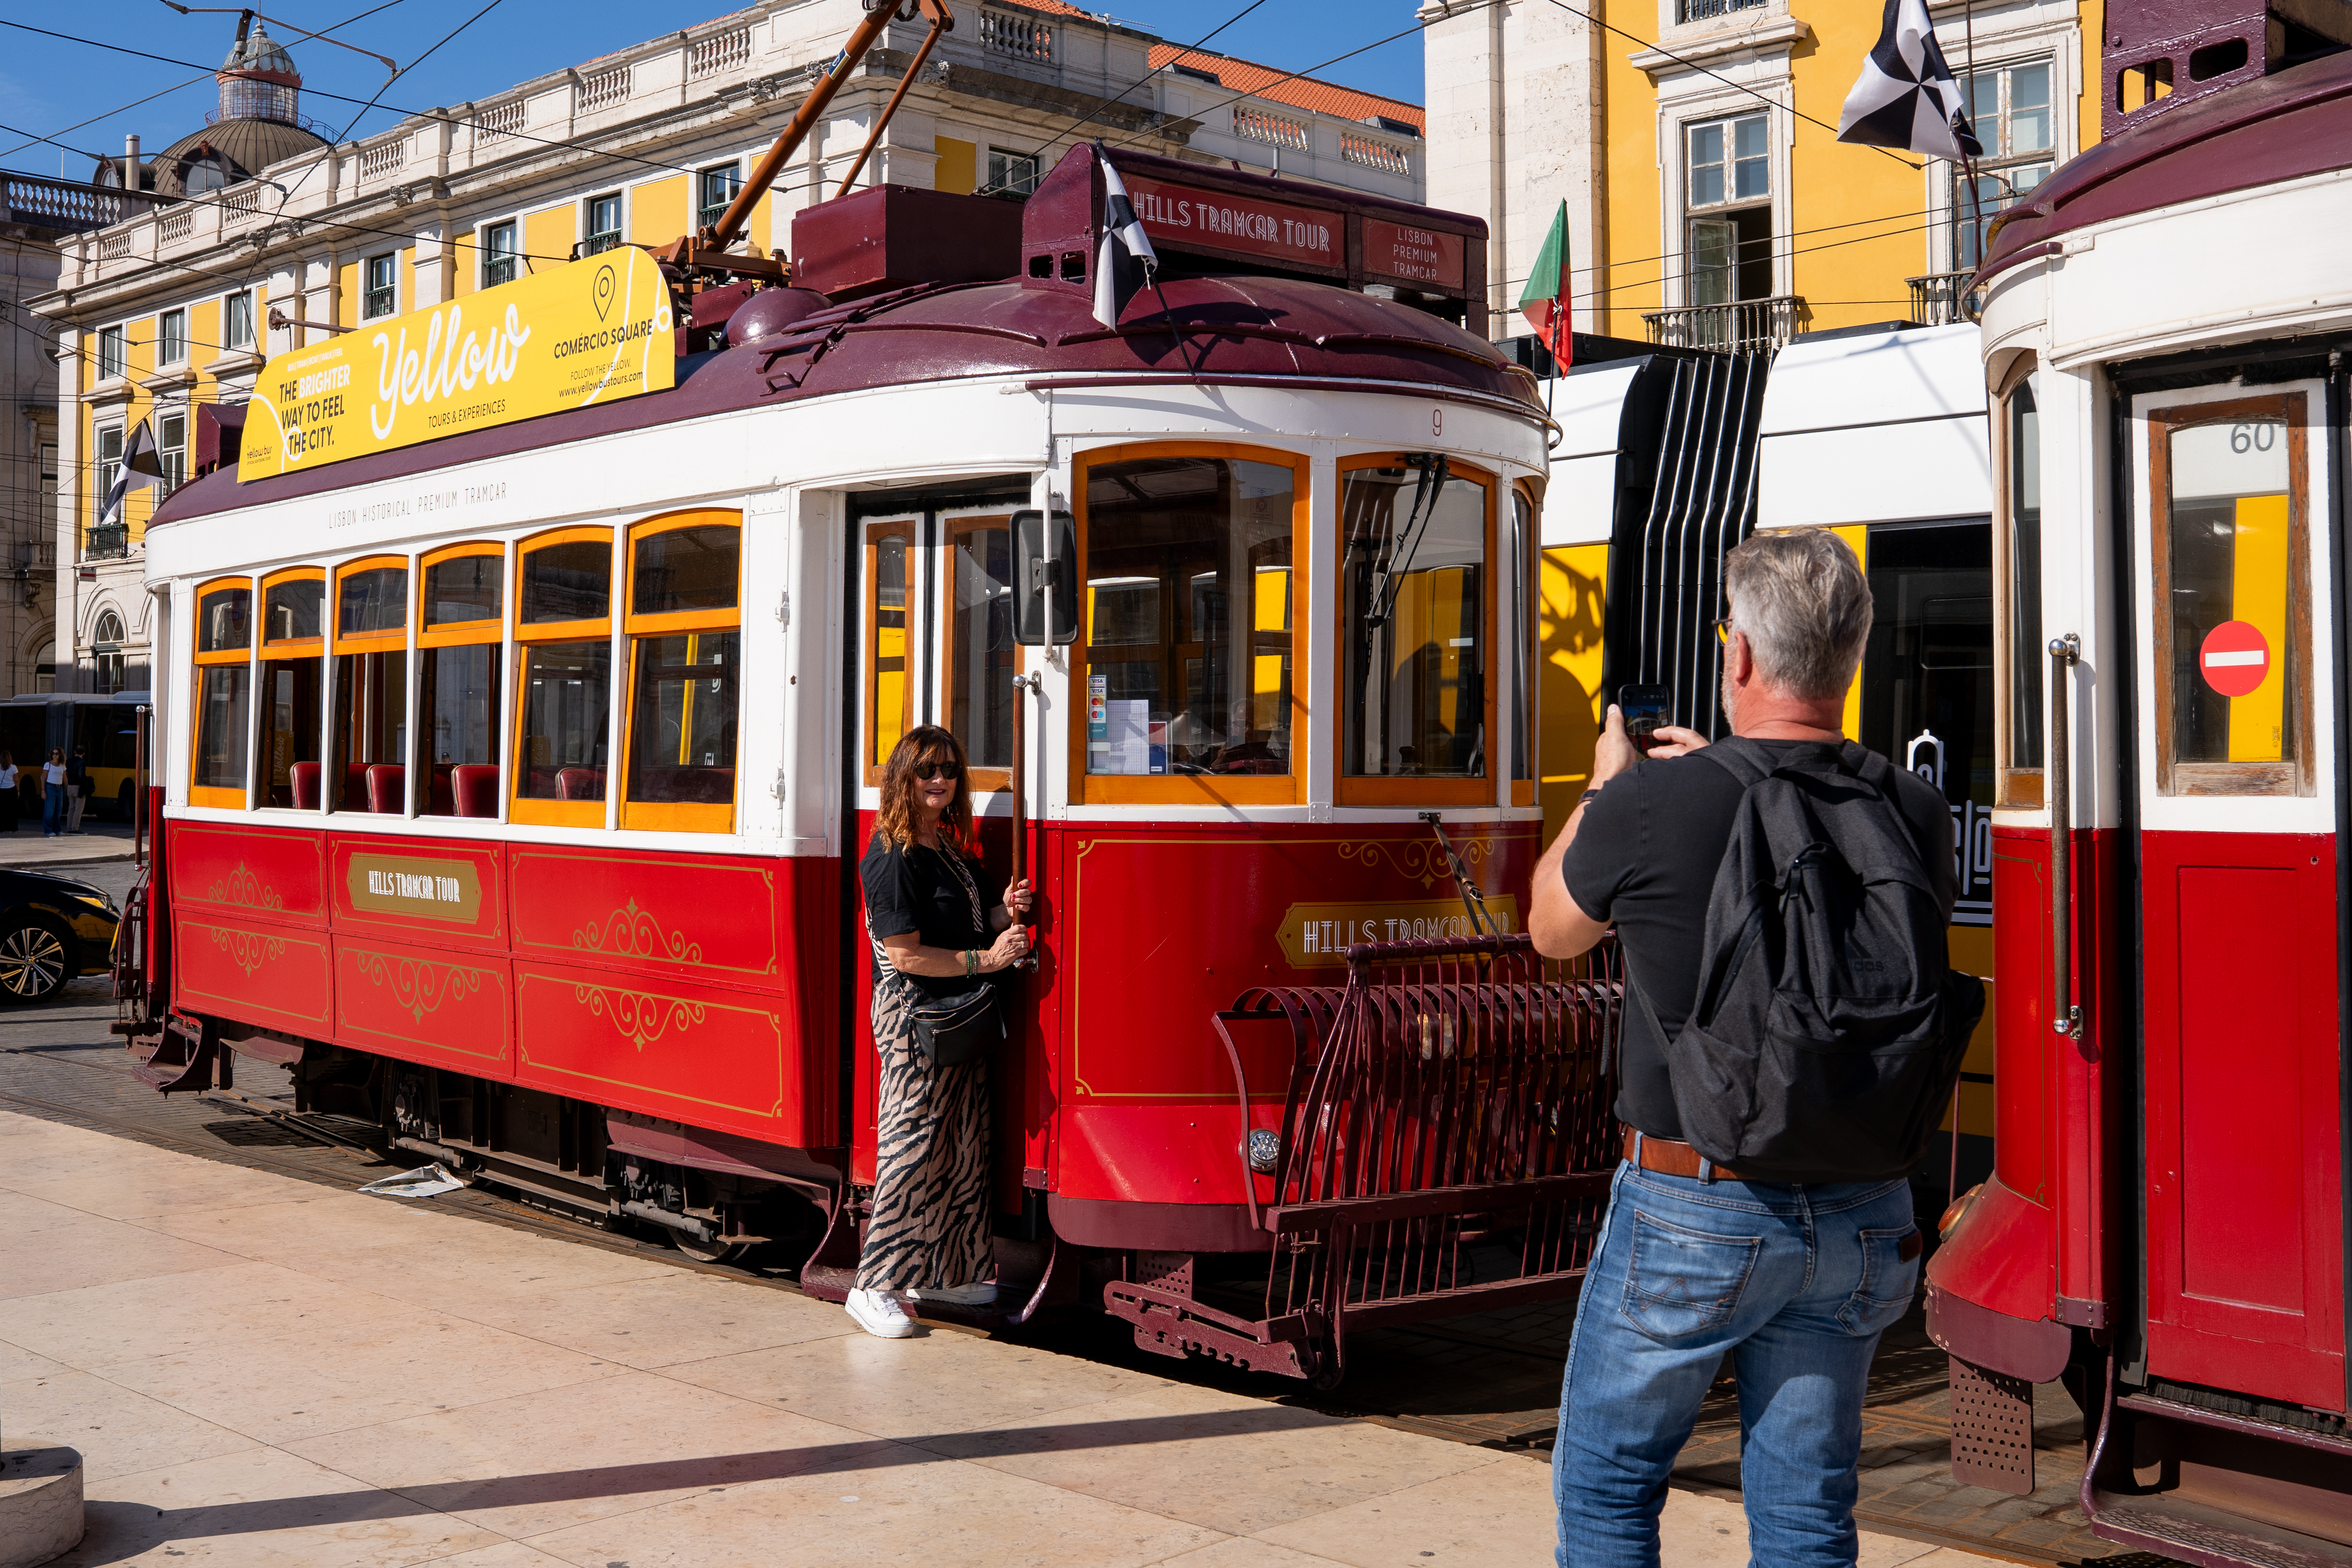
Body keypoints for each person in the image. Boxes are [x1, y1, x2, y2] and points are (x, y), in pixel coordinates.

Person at [1528, 530, 1956, 1568]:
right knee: (1806, 1509)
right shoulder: (1912, 807)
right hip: (1863, 1206)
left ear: (1738, 658)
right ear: (1849, 656)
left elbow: (1550, 929)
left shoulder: (1650, 802)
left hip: (1692, 1204)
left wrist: (1606, 787)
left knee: (1608, 1482)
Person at [849, 724, 1033, 1341]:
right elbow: (905, 955)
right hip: (915, 1020)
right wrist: (990, 961)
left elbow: (974, 921)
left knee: (961, 1146)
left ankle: (948, 1271)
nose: (940, 779)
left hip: (957, 1017)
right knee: (913, 1147)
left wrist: (1007, 907)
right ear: (904, 776)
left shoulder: (946, 847)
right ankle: (873, 1284)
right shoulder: (892, 855)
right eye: (927, 768)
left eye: (949, 770)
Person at [39, 749, 66, 838]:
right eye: (53, 754)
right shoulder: (48, 765)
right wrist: (43, 790)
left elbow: (65, 778)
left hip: (59, 788)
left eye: (57, 754)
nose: (55, 755)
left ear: (60, 755)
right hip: (50, 787)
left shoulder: (62, 766)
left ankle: (57, 829)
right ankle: (48, 830)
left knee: (58, 810)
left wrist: (68, 788)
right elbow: (44, 778)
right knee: (49, 810)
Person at [65, 746, 90, 835]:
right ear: (84, 754)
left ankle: (69, 828)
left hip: (70, 787)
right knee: (78, 809)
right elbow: (81, 775)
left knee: (71, 808)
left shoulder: (68, 761)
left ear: (75, 751)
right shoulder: (82, 762)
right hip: (78, 788)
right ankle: (75, 829)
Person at [0, 751, 18, 834]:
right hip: (11, 790)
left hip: (2, 790)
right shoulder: (13, 768)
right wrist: (18, 790)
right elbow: (16, 780)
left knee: (3, 810)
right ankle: (13, 828)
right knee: (12, 810)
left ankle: (2, 828)